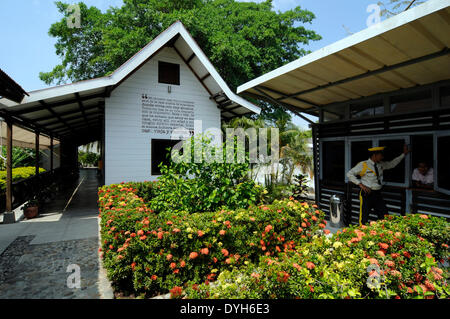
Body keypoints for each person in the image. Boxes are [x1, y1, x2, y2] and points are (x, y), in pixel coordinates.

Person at [347, 145, 410, 226]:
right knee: (364, 216)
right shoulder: (364, 165)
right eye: (381, 155)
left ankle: (384, 233)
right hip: (367, 193)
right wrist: (361, 185)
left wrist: (403, 154)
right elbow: (349, 174)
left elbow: (392, 164)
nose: (382, 157)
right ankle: (361, 233)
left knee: (384, 215)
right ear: (374, 155)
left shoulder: (380, 164)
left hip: (377, 193)